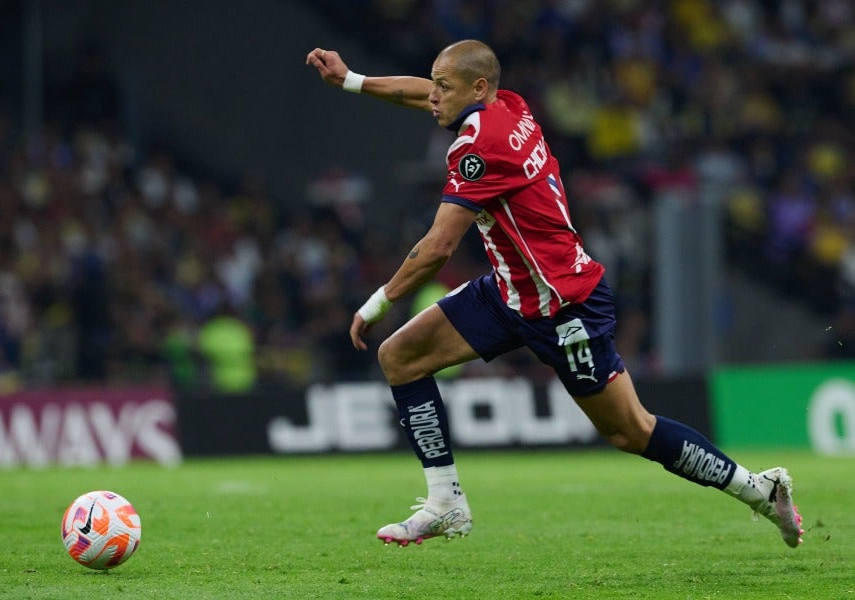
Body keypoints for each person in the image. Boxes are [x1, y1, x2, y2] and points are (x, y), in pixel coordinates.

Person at [305, 40, 804, 549]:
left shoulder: (479, 149)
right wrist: (352, 80)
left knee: (631, 431)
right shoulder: (509, 104)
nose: (434, 96)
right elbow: (422, 95)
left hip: (564, 306)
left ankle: (759, 490)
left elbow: (437, 248)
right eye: (435, 84)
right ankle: (445, 504)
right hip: (510, 292)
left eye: (445, 87)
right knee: (402, 358)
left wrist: (378, 302)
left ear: (478, 89)